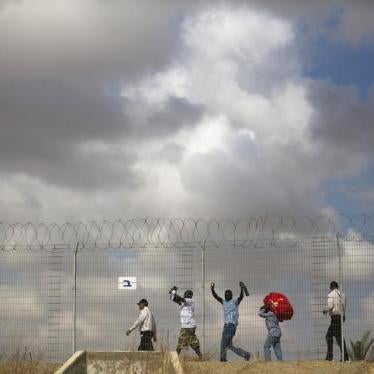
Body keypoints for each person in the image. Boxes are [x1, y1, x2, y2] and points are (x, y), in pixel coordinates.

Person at [210, 281, 250, 362]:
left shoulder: (235, 301)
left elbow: (241, 297)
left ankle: (222, 358)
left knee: (223, 343)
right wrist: (212, 289)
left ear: (231, 296)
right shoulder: (224, 302)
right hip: (227, 326)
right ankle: (246, 354)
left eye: (228, 294)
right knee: (229, 345)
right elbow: (216, 296)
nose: (227, 295)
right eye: (226, 294)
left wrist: (242, 288)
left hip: (231, 325)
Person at [169, 286, 202, 358]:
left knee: (180, 342)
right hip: (190, 326)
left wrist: (173, 292)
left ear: (189, 296)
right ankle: (200, 356)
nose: (185, 295)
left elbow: (180, 299)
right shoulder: (183, 303)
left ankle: (175, 358)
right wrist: (172, 293)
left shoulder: (190, 301)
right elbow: (175, 299)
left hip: (188, 326)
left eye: (186, 294)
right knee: (193, 342)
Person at [323, 281, 349, 361]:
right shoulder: (342, 295)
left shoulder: (331, 294)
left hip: (334, 317)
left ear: (331, 287)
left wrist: (325, 310)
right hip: (341, 317)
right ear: (337, 286)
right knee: (337, 337)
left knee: (331, 336)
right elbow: (344, 306)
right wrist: (343, 315)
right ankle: (343, 357)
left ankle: (331, 357)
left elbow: (330, 306)